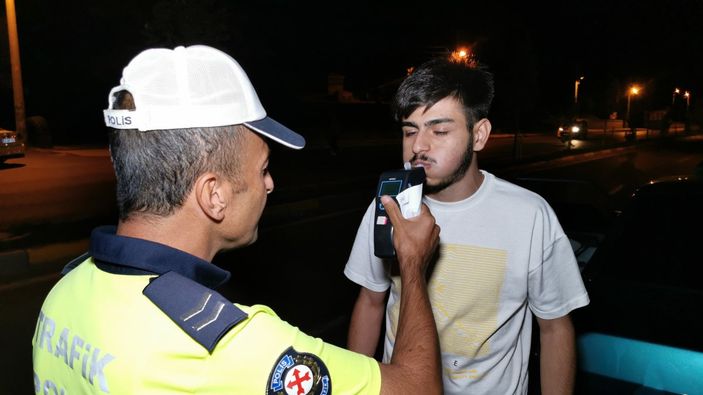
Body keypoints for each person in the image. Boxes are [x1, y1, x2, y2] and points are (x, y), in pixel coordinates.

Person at [32, 45, 443, 394]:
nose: (270, 184)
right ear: (215, 195)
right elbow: (417, 387)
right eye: (263, 168)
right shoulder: (227, 346)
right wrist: (411, 262)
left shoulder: (65, 291)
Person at [344, 57, 590, 394]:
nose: (418, 146)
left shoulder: (530, 215)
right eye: (409, 131)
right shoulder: (389, 207)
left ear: (479, 135)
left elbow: (554, 328)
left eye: (440, 130)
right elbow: (371, 303)